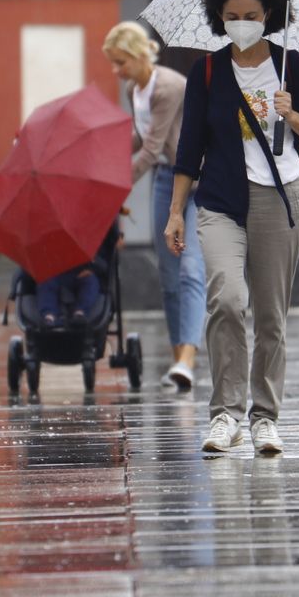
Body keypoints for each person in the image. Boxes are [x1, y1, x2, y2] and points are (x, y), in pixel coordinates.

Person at [166, 0, 299, 457]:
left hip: (279, 198)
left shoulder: (291, 65)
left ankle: (264, 417)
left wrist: (292, 113)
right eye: (233, 14)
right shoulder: (208, 70)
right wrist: (176, 211)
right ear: (219, 16)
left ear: (269, 15)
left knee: (271, 315)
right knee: (227, 299)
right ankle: (225, 413)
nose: (242, 23)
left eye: (252, 14)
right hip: (219, 199)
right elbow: (189, 144)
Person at [104, 20, 204, 390]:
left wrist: (116, 188)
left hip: (195, 182)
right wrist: (102, 159)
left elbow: (150, 145)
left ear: (137, 55)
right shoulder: (135, 89)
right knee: (167, 273)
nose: (117, 72)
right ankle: (179, 357)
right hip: (165, 179)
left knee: (190, 266)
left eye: (120, 63)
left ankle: (188, 360)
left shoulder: (169, 86)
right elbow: (139, 136)